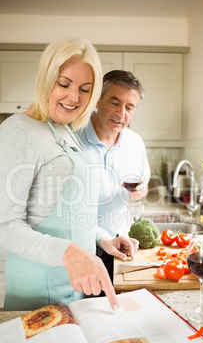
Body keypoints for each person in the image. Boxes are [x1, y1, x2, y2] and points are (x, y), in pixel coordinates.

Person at [0, 37, 138, 311]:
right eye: (64, 84)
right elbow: (4, 226)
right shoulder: (18, 131)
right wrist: (68, 252)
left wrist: (103, 238)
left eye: (85, 89)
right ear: (45, 79)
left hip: (77, 285)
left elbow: (70, 213)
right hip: (38, 293)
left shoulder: (66, 131)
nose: (74, 97)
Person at [77, 70, 150, 278]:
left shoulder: (135, 143)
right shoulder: (73, 138)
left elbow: (143, 180)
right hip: (80, 245)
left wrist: (143, 188)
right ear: (98, 100)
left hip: (120, 243)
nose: (121, 113)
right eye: (115, 102)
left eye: (129, 107)